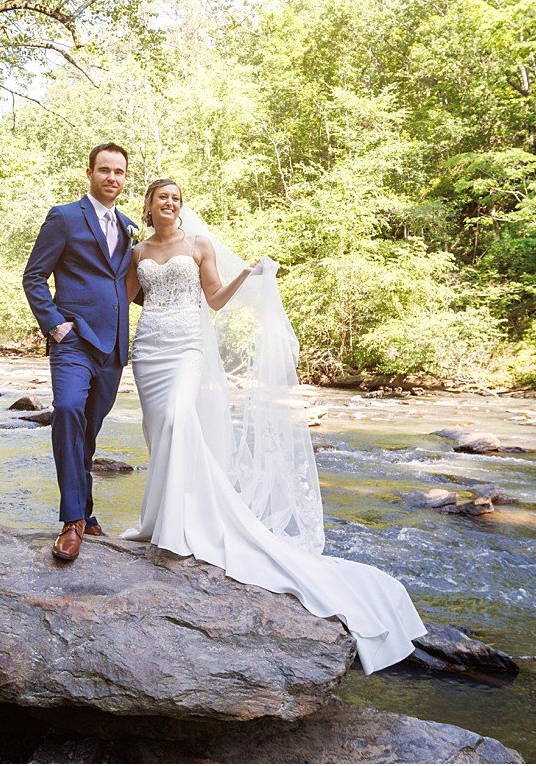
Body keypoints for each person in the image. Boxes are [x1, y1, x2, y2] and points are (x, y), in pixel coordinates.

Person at [121, 178, 428, 674]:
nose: (170, 204)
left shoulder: (198, 244)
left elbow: (215, 300)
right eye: (162, 198)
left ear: (181, 205)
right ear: (150, 205)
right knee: (159, 434)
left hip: (186, 350)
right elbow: (125, 300)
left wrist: (246, 275)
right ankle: (157, 521)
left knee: (180, 421)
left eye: (177, 198)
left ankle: (184, 525)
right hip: (149, 348)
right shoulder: (137, 251)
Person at [22, 143, 141, 563]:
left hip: (112, 347)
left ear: (125, 178)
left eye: (119, 172)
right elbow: (34, 275)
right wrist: (55, 325)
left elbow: (127, 285)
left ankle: (86, 513)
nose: (112, 178)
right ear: (89, 173)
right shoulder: (65, 217)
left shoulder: (128, 227)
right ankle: (72, 521)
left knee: (89, 429)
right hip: (73, 341)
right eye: (105, 170)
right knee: (69, 410)